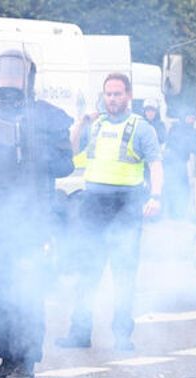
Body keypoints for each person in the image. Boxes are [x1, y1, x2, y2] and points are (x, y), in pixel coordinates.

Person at [0, 50, 74, 378]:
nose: (7, 81)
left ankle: (27, 362)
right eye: (1, 73)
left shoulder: (48, 117)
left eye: (14, 73)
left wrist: (31, 145)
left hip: (30, 219)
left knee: (25, 290)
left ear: (29, 78)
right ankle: (6, 357)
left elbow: (65, 165)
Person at [56, 73, 163, 351]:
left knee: (124, 273)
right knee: (88, 269)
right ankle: (79, 333)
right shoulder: (96, 125)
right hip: (94, 203)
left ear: (128, 95)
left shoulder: (141, 127)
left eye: (117, 94)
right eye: (108, 94)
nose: (112, 99)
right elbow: (71, 148)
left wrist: (155, 196)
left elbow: (155, 164)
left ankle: (122, 336)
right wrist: (81, 121)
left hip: (126, 205)